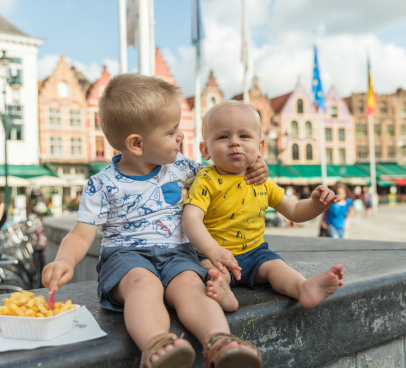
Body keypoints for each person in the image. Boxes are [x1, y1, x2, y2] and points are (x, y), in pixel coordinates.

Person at [42, 74, 270, 368]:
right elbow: (80, 234)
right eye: (172, 131)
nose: (181, 136)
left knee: (191, 284)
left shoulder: (185, 168)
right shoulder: (103, 184)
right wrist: (65, 261)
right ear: (137, 143)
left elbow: (225, 170)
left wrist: (255, 164)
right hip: (126, 258)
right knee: (142, 285)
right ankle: (157, 344)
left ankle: (219, 342)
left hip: (178, 254)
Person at [182, 100, 344, 314]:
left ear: (260, 147)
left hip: (254, 254)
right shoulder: (206, 180)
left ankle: (303, 288)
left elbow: (294, 210)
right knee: (210, 273)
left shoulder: (261, 181)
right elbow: (191, 218)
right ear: (205, 150)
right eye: (223, 136)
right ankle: (223, 292)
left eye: (244, 136)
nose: (234, 143)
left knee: (276, 267)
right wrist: (213, 251)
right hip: (212, 256)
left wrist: (315, 204)